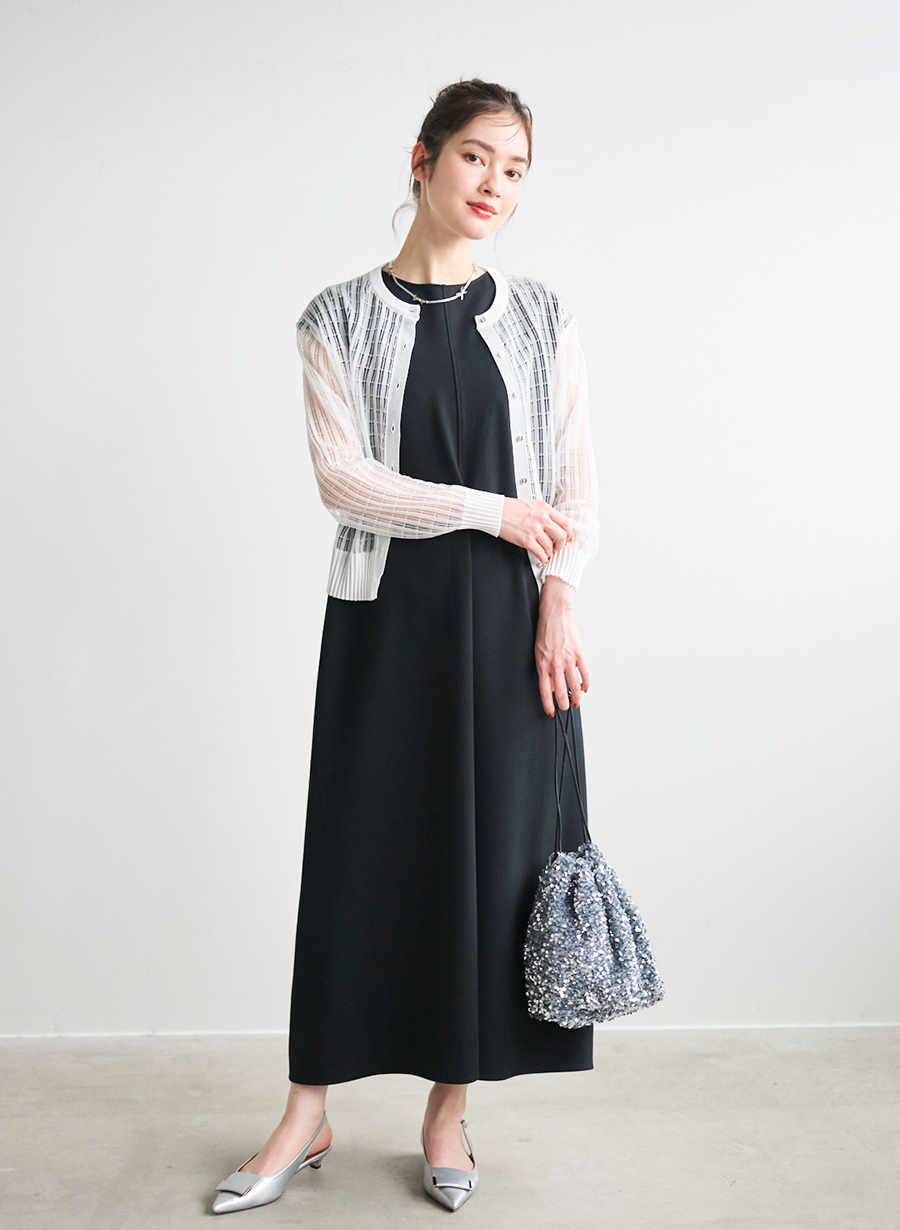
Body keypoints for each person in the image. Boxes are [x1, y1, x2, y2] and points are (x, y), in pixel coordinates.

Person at [212, 78, 599, 1216]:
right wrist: (492, 511)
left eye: (516, 171)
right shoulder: (335, 316)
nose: (495, 186)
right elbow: (346, 482)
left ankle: (447, 1111)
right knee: (358, 856)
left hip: (513, 631)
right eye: (477, 157)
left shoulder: (542, 316)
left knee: (490, 864)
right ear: (422, 160)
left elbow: (577, 484)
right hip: (385, 623)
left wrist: (561, 597)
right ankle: (308, 1110)